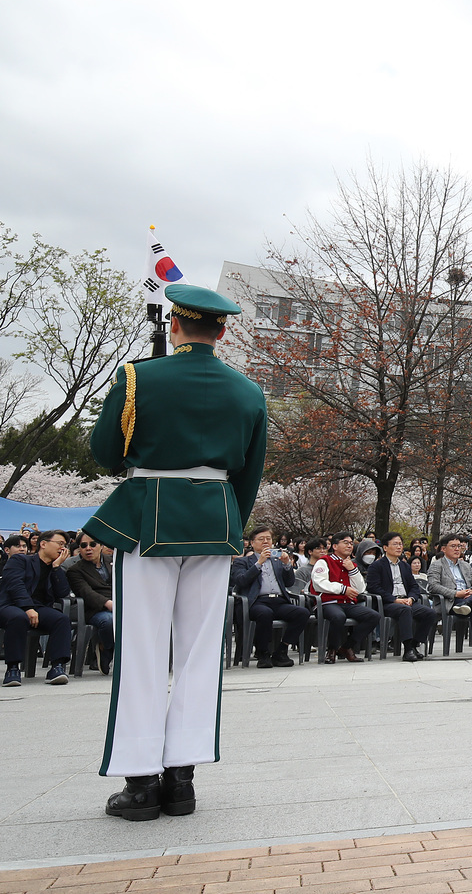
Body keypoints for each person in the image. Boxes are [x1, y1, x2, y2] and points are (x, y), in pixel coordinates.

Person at [84, 283, 267, 821]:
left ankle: (140, 784)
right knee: (200, 650)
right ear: (223, 331)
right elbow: (249, 475)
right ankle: (182, 780)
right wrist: (229, 518)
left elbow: (102, 450)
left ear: (174, 326)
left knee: (141, 647)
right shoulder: (249, 391)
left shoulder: (140, 376)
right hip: (216, 519)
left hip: (151, 516)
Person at [1, 529, 73, 687]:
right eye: (60, 544)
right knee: (18, 618)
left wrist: (56, 568)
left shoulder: (54, 567)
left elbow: (62, 593)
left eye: (65, 545)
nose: (63, 548)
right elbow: (15, 585)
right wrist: (27, 607)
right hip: (11, 605)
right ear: (43, 544)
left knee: (61, 620)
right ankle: (12, 669)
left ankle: (57, 667)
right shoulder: (21, 560)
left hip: (39, 608)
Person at [232, 527, 310, 668]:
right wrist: (259, 563)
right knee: (264, 613)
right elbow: (241, 581)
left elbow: (289, 583)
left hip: (279, 601)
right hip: (257, 601)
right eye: (261, 539)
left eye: (268, 539)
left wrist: (287, 564)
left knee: (302, 613)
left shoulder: (277, 560)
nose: (266, 542)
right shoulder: (242, 561)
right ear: (252, 543)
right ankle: (263, 653)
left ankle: (282, 649)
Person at [308, 531, 379, 663]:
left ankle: (347, 647)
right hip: (327, 602)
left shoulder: (351, 564)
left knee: (373, 616)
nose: (349, 546)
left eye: (351, 543)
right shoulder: (324, 561)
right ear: (334, 546)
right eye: (345, 543)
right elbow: (319, 584)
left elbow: (360, 589)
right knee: (338, 616)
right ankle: (332, 649)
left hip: (348, 603)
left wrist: (352, 570)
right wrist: (343, 589)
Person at [365, 532, 437, 662]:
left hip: (406, 600)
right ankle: (408, 649)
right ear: (385, 547)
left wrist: (411, 598)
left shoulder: (404, 565)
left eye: (400, 544)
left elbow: (413, 586)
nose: (399, 547)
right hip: (388, 603)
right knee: (405, 610)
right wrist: (394, 600)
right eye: (395, 544)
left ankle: (414, 644)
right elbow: (373, 588)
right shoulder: (377, 566)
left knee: (430, 613)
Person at [425, 535, 472, 657]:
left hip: (467, 598)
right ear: (443, 549)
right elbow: (433, 586)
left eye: (459, 546)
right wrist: (456, 594)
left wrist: (471, 591)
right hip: (450, 601)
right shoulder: (437, 565)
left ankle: (469, 602)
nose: (457, 549)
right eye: (453, 546)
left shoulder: (466, 565)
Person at [67, 532, 115, 673]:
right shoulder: (74, 570)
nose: (89, 548)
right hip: (94, 609)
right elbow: (86, 593)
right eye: (84, 545)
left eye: (93, 544)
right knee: (109, 621)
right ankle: (106, 648)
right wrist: (108, 603)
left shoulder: (114, 561)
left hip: (120, 604)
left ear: (101, 546)